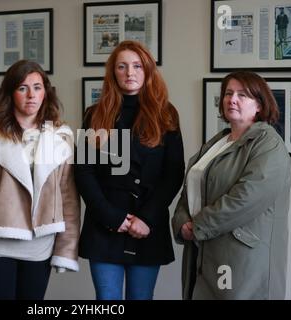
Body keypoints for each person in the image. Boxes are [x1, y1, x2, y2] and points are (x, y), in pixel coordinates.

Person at [0, 60, 80, 300]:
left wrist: (66, 249)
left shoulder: (61, 138)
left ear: (46, 92)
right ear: (10, 94)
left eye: (37, 87)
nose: (31, 95)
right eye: (22, 88)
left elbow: (68, 200)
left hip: (40, 248)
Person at [75, 40, 185, 300]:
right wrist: (111, 217)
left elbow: (173, 173)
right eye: (122, 66)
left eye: (136, 66)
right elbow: (83, 171)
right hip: (105, 227)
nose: (129, 73)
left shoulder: (166, 115)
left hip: (148, 225)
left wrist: (146, 218)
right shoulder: (95, 115)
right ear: (113, 72)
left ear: (147, 70)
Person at [172, 71, 291, 300]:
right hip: (201, 250)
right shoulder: (217, 142)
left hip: (241, 258)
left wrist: (196, 226)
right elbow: (190, 191)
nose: (232, 99)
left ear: (259, 104)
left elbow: (244, 199)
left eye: (242, 95)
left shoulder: (269, 145)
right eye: (228, 93)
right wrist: (180, 222)